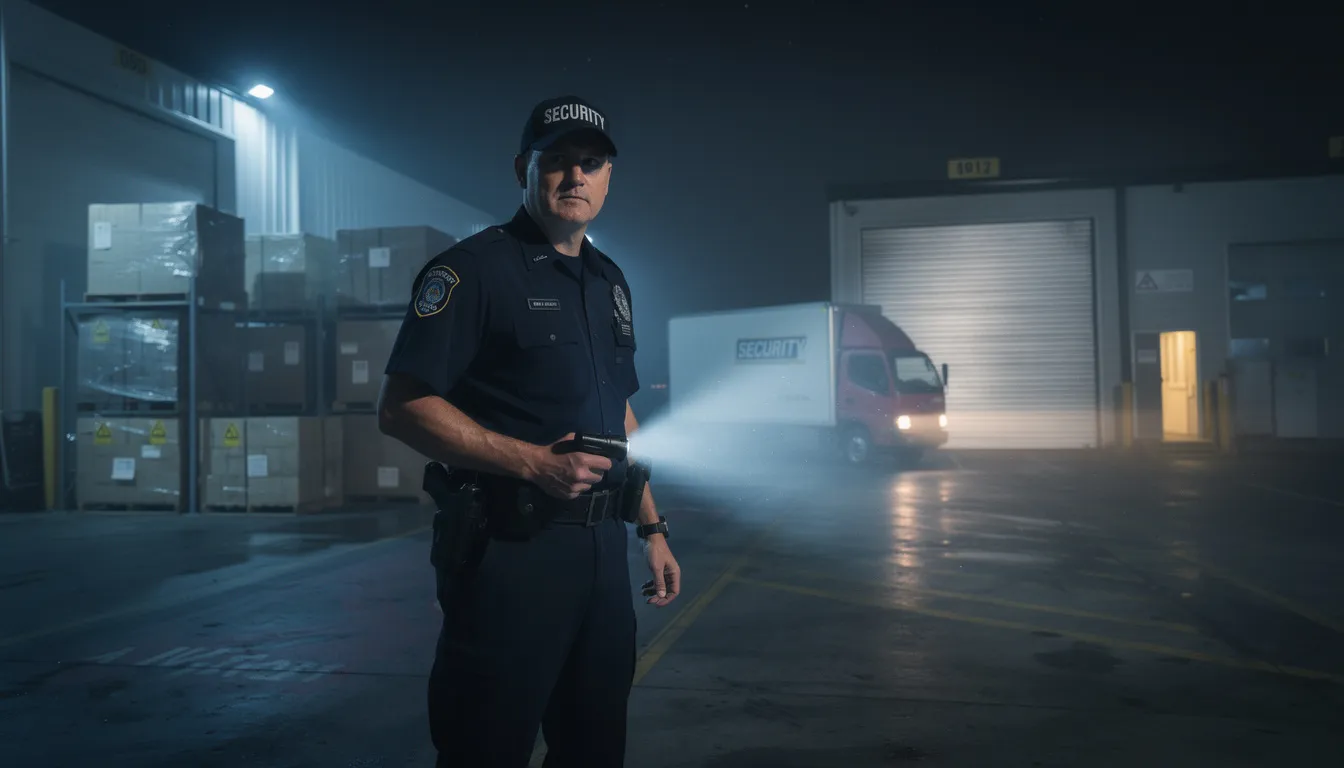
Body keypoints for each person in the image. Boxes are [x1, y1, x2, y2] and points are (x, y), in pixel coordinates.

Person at [376, 94, 681, 768]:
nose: (576, 176)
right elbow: (401, 406)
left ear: (609, 178)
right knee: (486, 747)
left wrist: (651, 527)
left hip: (602, 560)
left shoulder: (610, 283)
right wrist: (530, 463)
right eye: (557, 161)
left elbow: (619, 414)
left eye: (591, 163)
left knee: (594, 746)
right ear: (524, 168)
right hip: (510, 553)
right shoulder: (472, 271)